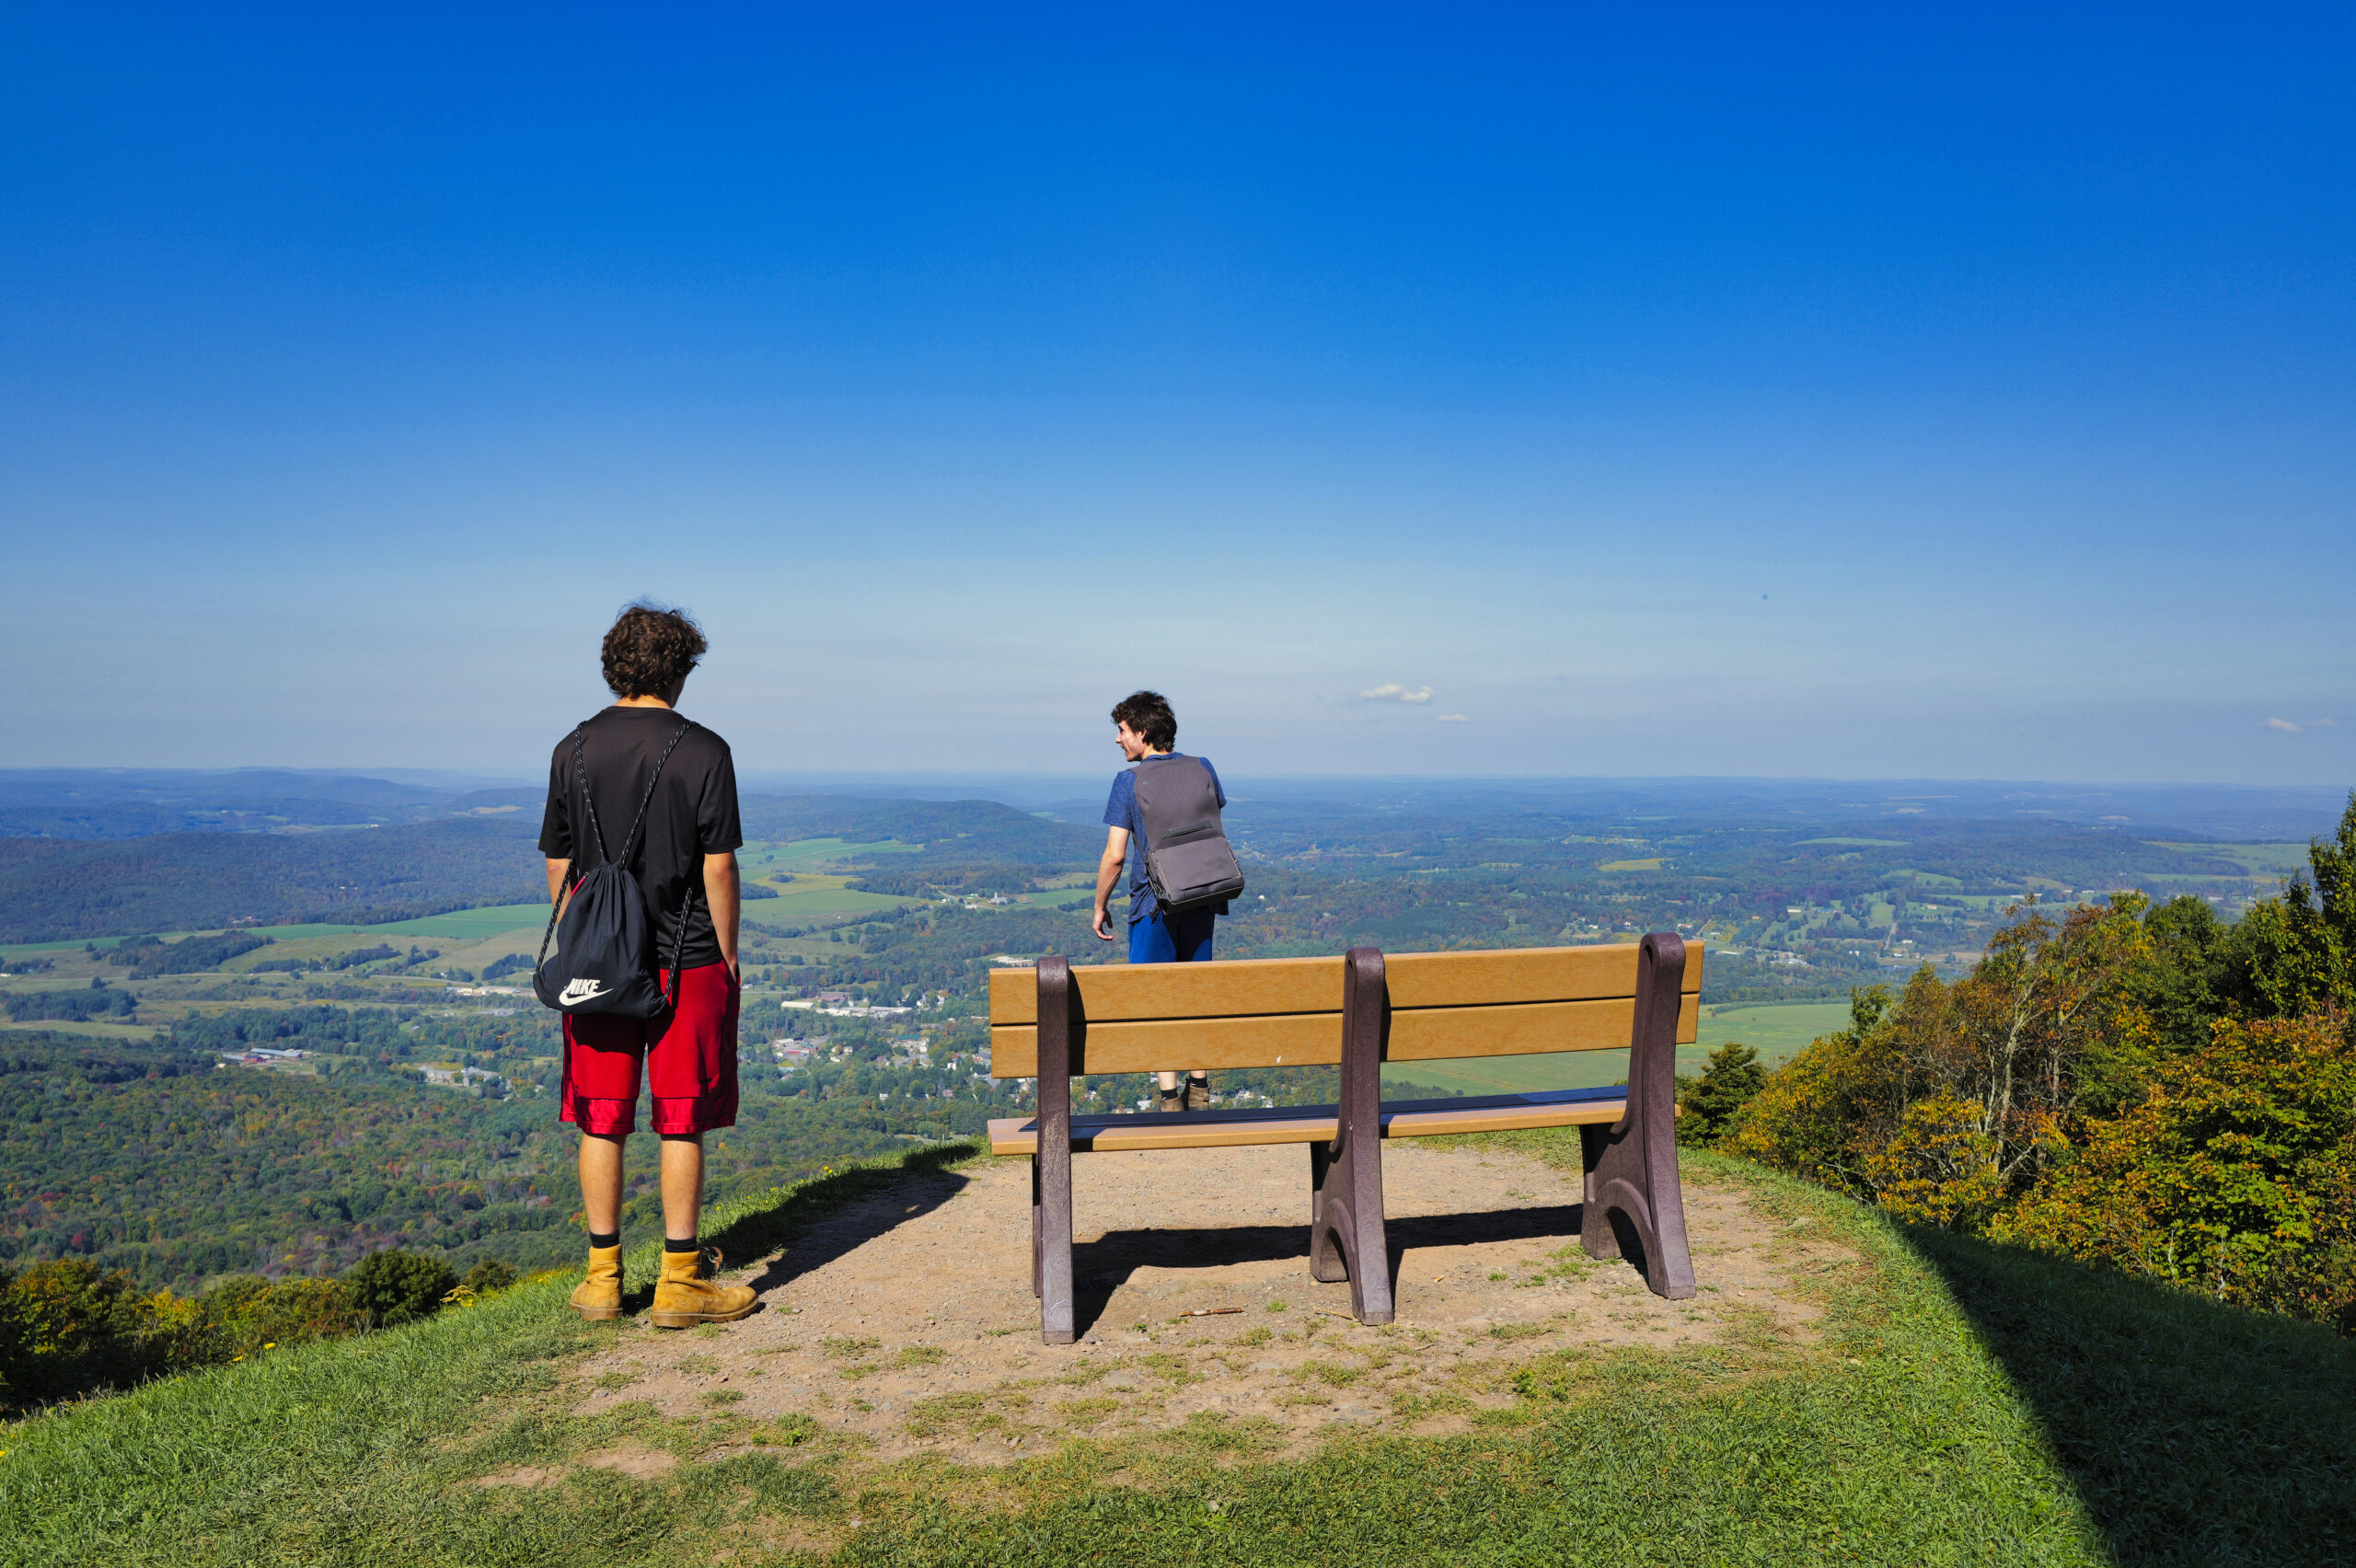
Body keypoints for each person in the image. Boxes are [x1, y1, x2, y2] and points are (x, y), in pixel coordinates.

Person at [539, 602, 756, 1328]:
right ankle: (680, 1283)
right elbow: (718, 869)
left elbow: (560, 863)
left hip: (598, 960)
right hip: (684, 958)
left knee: (601, 1118)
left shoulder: (570, 748)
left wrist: (581, 939)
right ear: (680, 669)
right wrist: (728, 957)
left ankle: (603, 1281)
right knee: (679, 1118)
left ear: (615, 666)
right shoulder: (704, 752)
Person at [1091, 689, 1229, 1112]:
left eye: (1122, 730)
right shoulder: (1201, 767)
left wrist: (1099, 906)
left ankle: (1170, 1098)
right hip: (1202, 896)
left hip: (1153, 904)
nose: (1118, 740)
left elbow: (1115, 856)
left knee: (1157, 999)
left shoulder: (1129, 782)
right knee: (1195, 994)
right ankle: (1200, 1088)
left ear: (1143, 732)